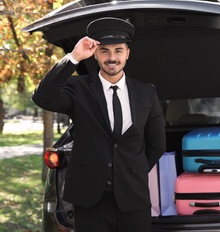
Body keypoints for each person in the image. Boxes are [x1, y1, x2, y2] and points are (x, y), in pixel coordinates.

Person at [32, 17, 166, 232]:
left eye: (118, 50)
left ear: (127, 53)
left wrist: (132, 171)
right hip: (89, 198)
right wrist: (74, 57)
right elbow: (42, 98)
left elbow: (157, 144)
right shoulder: (78, 88)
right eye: (104, 51)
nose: (112, 57)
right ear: (95, 53)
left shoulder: (146, 92)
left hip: (133, 197)